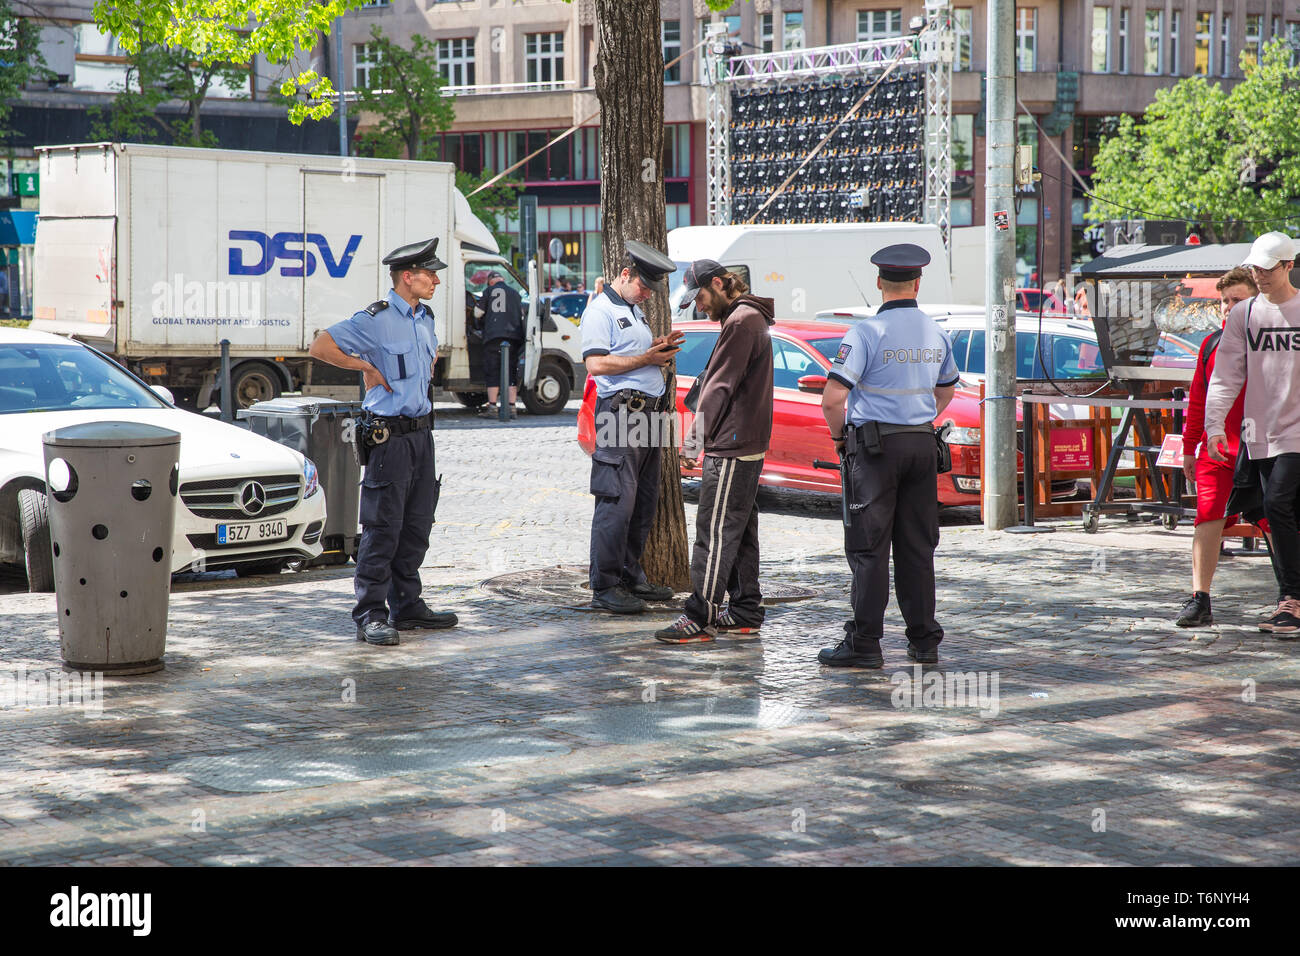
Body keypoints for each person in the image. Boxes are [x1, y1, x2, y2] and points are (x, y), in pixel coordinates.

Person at [307, 238, 458, 646]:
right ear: (407, 277)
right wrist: (364, 368)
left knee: (416, 525)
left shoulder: (424, 317)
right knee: (382, 528)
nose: (437, 281)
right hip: (388, 438)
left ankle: (408, 606)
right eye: (430, 274)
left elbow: (426, 362)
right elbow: (320, 346)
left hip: (421, 435)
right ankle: (371, 613)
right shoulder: (374, 318)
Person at [817, 243, 959, 668]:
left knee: (869, 548)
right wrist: (916, 418)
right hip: (920, 444)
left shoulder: (866, 333)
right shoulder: (936, 331)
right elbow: (947, 389)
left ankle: (864, 645)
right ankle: (924, 641)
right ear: (918, 282)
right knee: (917, 547)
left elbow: (832, 399)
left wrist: (841, 440)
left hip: (876, 452)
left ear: (880, 282)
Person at [655, 260, 775, 644]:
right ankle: (744, 610)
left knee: (716, 531)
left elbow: (718, 388)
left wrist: (693, 441)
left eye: (702, 297)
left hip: (732, 444)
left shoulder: (741, 321)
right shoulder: (749, 317)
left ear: (721, 284)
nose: (699, 307)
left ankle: (699, 616)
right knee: (739, 531)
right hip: (745, 442)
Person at [580, 240, 683, 614]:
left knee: (644, 501)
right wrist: (646, 357)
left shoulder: (632, 308)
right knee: (616, 503)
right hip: (621, 414)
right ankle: (605, 586)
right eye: (643, 287)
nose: (646, 295)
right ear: (626, 274)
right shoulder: (601, 310)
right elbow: (596, 365)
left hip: (648, 415)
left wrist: (658, 347)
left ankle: (629, 574)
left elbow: (631, 356)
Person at [1206, 231, 1300, 636]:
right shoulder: (1244, 314)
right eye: (1254, 268)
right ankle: (1290, 600)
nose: (1258, 275)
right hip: (1260, 432)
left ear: (1289, 266)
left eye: (1266, 268)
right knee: (1271, 513)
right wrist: (1213, 424)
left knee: (1279, 503)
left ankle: (1291, 598)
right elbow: (1226, 374)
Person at [1176, 267, 1264, 627]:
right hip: (1218, 451)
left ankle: (1289, 598)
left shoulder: (1270, 341)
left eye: (1237, 300)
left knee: (1278, 520)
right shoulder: (1211, 345)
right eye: (1224, 301)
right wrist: (1189, 448)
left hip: (1265, 447)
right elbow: (1198, 401)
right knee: (1207, 516)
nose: (1228, 307)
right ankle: (1200, 599)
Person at [473, 271, 526, 420]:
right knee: (511, 373)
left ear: (490, 281)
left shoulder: (489, 291)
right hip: (513, 338)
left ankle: (492, 407)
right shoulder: (515, 293)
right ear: (502, 279)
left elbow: (477, 313)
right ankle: (512, 407)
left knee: (493, 372)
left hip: (493, 337)